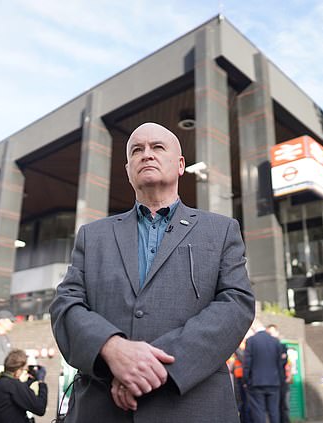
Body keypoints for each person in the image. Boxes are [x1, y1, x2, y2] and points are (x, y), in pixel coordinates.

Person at [50, 122, 255, 422]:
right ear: (128, 168)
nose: (146, 154)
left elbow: (236, 305)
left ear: (181, 165)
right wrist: (112, 349)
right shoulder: (93, 236)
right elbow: (65, 305)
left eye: (157, 147)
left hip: (192, 407)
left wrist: (145, 367)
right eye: (137, 150)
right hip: (102, 409)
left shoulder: (221, 230)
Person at [0, 349, 48, 422]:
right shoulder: (14, 386)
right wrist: (41, 383)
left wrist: (29, 381)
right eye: (23, 370)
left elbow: (13, 397)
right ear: (18, 370)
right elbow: (40, 408)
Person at [244, 321, 286, 423]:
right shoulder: (275, 341)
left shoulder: (251, 341)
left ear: (253, 328)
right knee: (274, 411)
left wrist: (246, 380)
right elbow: (280, 364)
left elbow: (247, 363)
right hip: (274, 382)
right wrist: (281, 380)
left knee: (259, 412)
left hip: (256, 382)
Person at [266, 324, 292, 423]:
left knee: (284, 407)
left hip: (282, 382)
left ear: (277, 333)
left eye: (272, 333)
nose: (271, 335)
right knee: (273, 408)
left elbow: (283, 362)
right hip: (272, 383)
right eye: (269, 333)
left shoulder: (282, 346)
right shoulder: (267, 348)